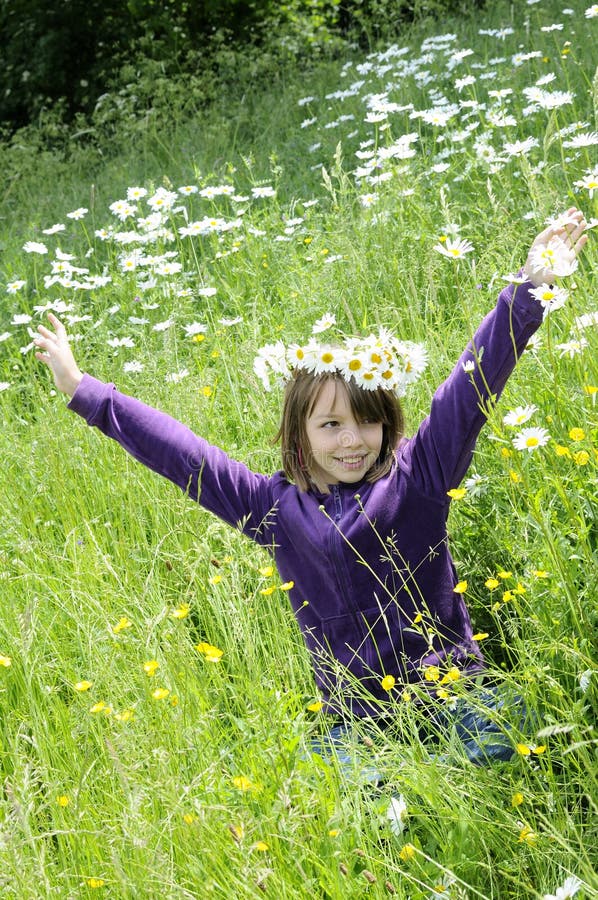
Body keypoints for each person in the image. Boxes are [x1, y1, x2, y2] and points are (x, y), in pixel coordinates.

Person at [34, 209, 589, 779]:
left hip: (453, 696)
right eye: (330, 426)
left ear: (387, 423)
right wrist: (85, 391)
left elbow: (471, 386)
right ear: (299, 431)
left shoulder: (419, 476)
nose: (353, 441)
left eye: (367, 423)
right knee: (337, 792)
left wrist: (529, 289)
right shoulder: (272, 508)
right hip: (361, 721)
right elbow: (183, 454)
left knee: (515, 734)